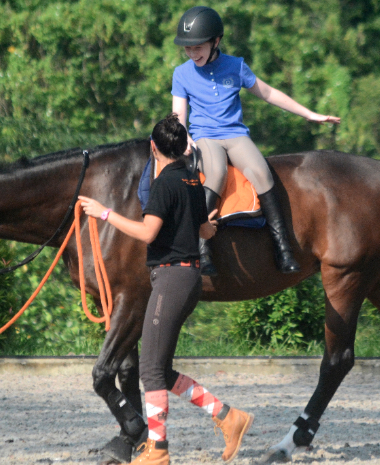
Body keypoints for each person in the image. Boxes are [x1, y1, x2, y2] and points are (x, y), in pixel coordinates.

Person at [79, 114, 254, 465]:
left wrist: (103, 213)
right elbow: (205, 231)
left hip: (172, 279)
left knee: (152, 370)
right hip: (184, 279)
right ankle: (228, 417)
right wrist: (206, 225)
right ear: (184, 147)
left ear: (153, 147)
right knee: (159, 368)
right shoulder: (192, 180)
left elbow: (147, 234)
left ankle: (157, 451)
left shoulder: (163, 184)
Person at [172, 6, 341, 276]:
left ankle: (283, 249)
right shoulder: (182, 74)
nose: (193, 54)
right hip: (206, 136)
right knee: (215, 173)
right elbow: (178, 113)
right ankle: (201, 249)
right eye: (188, 49)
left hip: (235, 134)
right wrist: (185, 138)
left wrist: (309, 114)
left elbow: (268, 93)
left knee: (262, 172)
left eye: (198, 47)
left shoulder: (236, 66)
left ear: (216, 41)